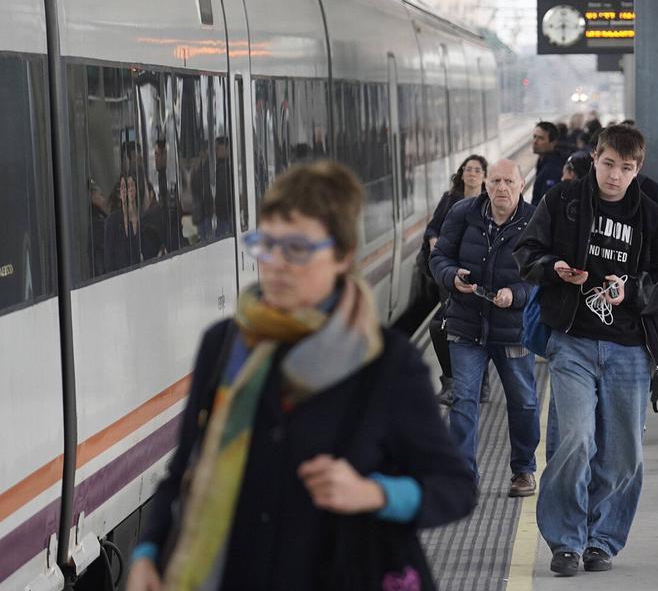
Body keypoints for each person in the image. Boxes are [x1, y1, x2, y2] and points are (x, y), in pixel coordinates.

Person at [127, 160, 476, 591]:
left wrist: (373, 493)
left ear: (342, 255)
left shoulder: (386, 363)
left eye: (296, 250)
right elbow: (184, 471)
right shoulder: (225, 346)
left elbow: (455, 487)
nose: (275, 265)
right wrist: (147, 555)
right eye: (266, 245)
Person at [514, 124, 658, 577]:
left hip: (630, 349)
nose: (614, 175)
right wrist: (552, 268)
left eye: (625, 168)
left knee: (623, 453)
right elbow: (527, 250)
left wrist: (631, 290)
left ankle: (602, 539)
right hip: (571, 341)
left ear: (637, 170)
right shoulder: (562, 203)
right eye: (608, 163)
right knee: (573, 439)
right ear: (594, 158)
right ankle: (566, 542)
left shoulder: (651, 218)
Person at [429, 159, 540, 498]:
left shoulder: (534, 219)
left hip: (513, 328)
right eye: (495, 181)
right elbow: (439, 258)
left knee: (523, 403)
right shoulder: (464, 213)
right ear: (486, 184)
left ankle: (523, 470)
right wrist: (451, 277)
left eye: (508, 181)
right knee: (464, 401)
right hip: (466, 325)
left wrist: (517, 294)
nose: (500, 188)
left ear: (522, 184)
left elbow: (542, 273)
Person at [421, 154, 488, 405]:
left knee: (477, 327)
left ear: (484, 176)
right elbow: (432, 227)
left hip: (478, 274)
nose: (470, 174)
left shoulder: (488, 202)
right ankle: (451, 382)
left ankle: (481, 383)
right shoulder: (450, 200)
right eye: (467, 170)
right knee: (443, 326)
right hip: (451, 273)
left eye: (476, 170)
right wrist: (432, 240)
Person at [532, 121, 572, 205]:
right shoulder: (542, 162)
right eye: (534, 137)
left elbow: (547, 204)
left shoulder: (553, 168)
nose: (535, 141)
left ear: (553, 142)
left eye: (541, 138)